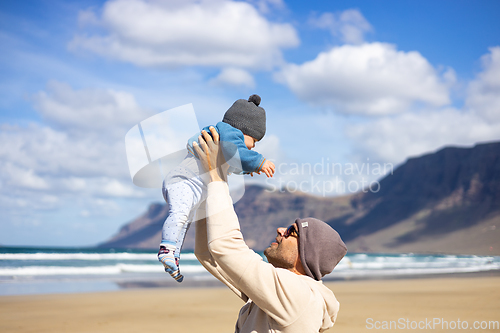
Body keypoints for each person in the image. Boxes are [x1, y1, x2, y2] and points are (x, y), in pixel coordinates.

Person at [192, 127, 347, 333]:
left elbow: (226, 247)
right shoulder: (279, 291)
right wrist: (208, 181)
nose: (281, 229)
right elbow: (209, 254)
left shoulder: (300, 296)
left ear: (307, 254)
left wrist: (216, 175)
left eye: (293, 231)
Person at [158, 95, 276, 282]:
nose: (253, 146)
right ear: (244, 129)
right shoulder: (228, 131)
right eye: (254, 140)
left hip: (193, 187)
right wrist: (258, 161)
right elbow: (234, 152)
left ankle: (172, 259)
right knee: (179, 215)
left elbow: (231, 162)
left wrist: (247, 169)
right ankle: (166, 249)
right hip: (184, 181)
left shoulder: (225, 140)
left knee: (184, 223)